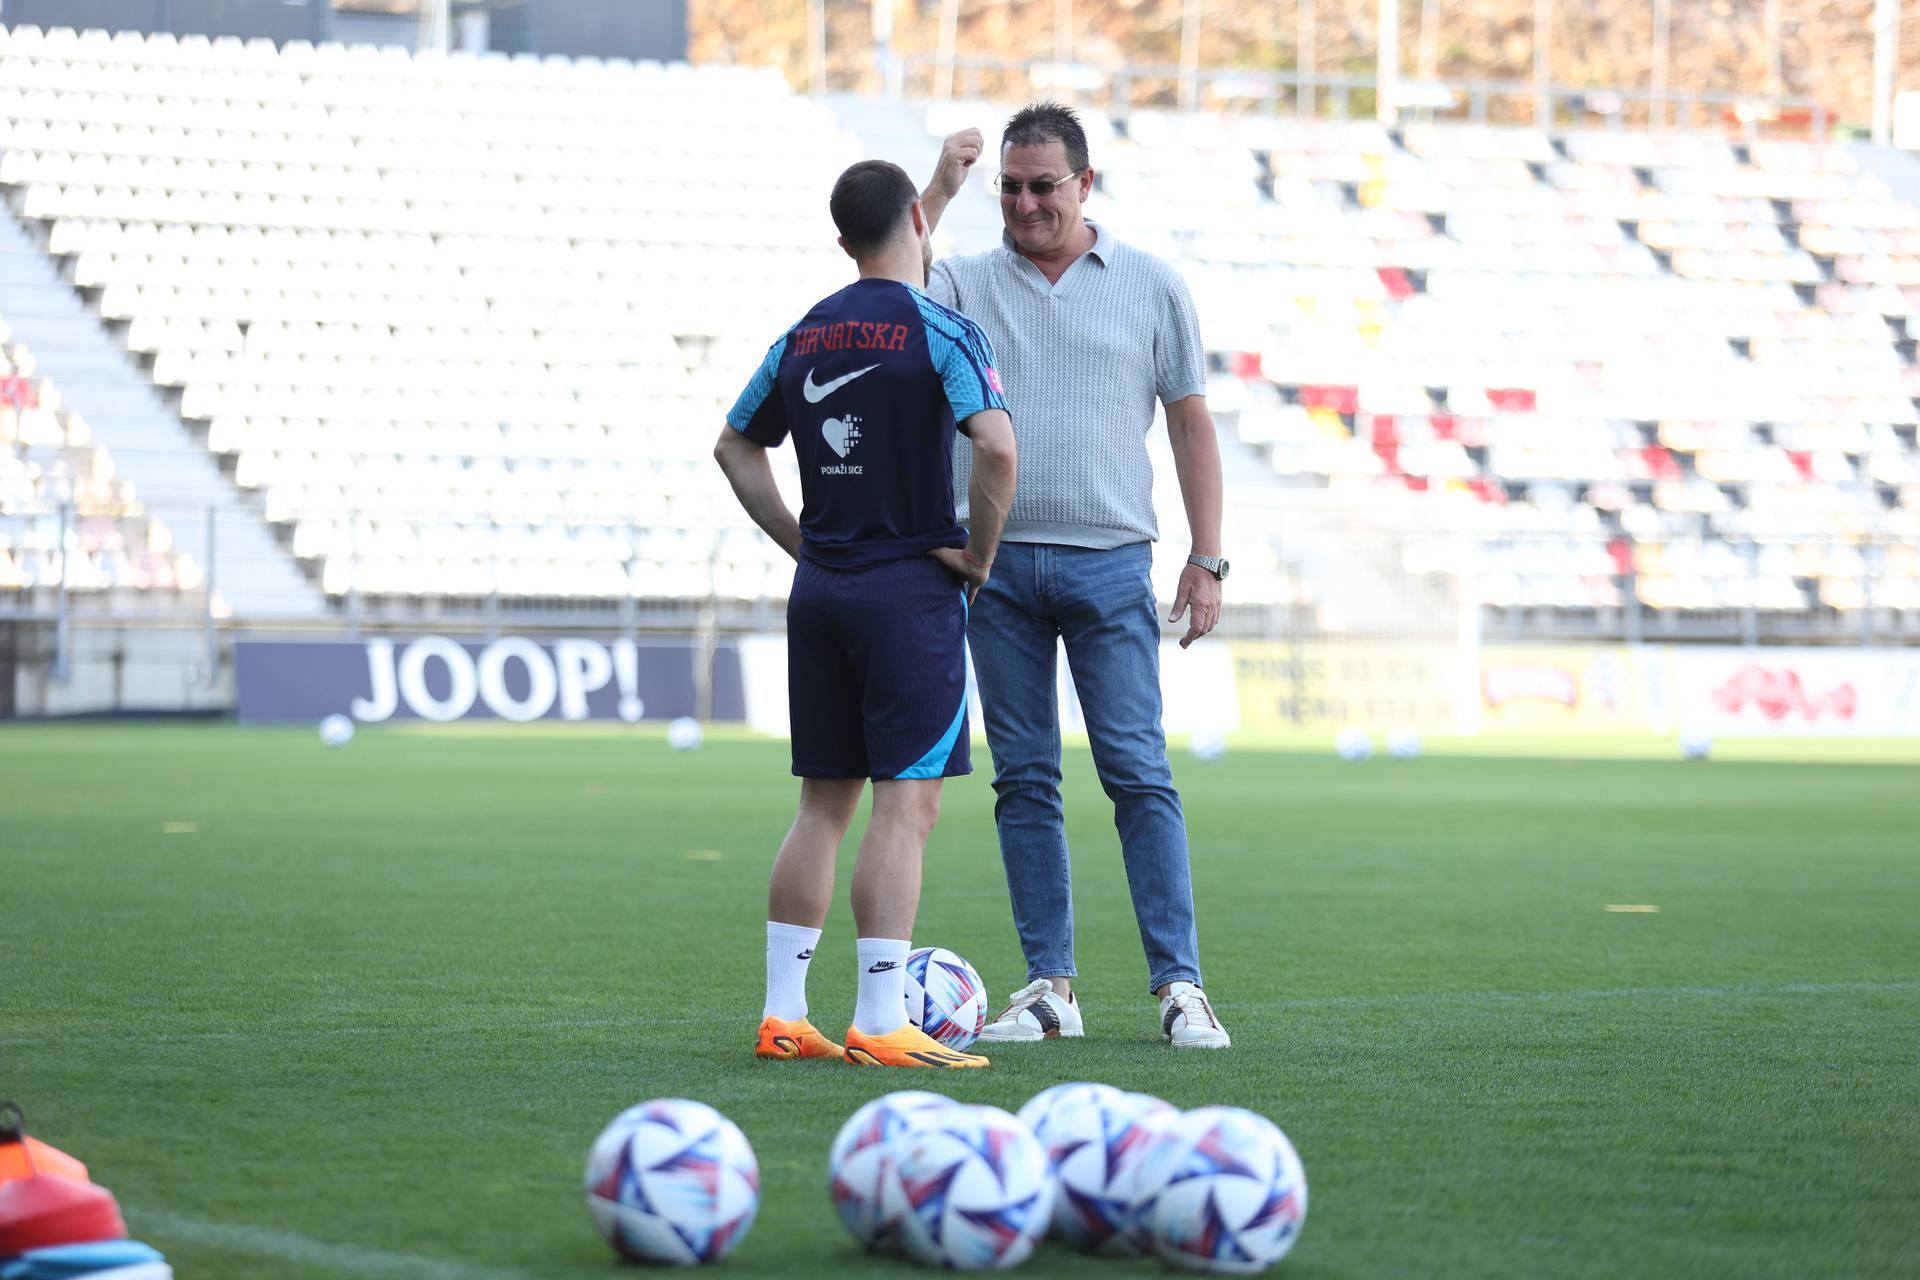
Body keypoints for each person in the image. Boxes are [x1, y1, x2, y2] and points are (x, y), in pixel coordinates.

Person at [917, 103, 1232, 1049]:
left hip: (1110, 563)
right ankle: (1050, 987)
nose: (1023, 203)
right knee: (1025, 780)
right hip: (994, 567)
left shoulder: (1150, 285)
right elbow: (889, 281)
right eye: (1010, 187)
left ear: (1084, 185)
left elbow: (1190, 422)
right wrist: (941, 185)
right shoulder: (966, 283)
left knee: (1138, 773)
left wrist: (1206, 556)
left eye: (1042, 186)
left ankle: (1181, 988)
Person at [715, 158, 1018, 1068]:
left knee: (822, 807)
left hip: (825, 594)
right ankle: (881, 1018)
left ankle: (783, 1015)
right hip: (909, 596)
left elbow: (734, 446)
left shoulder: (803, 335)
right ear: (920, 230)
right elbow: (997, 450)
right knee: (907, 806)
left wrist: (804, 544)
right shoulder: (943, 330)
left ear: (841, 242)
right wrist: (978, 558)